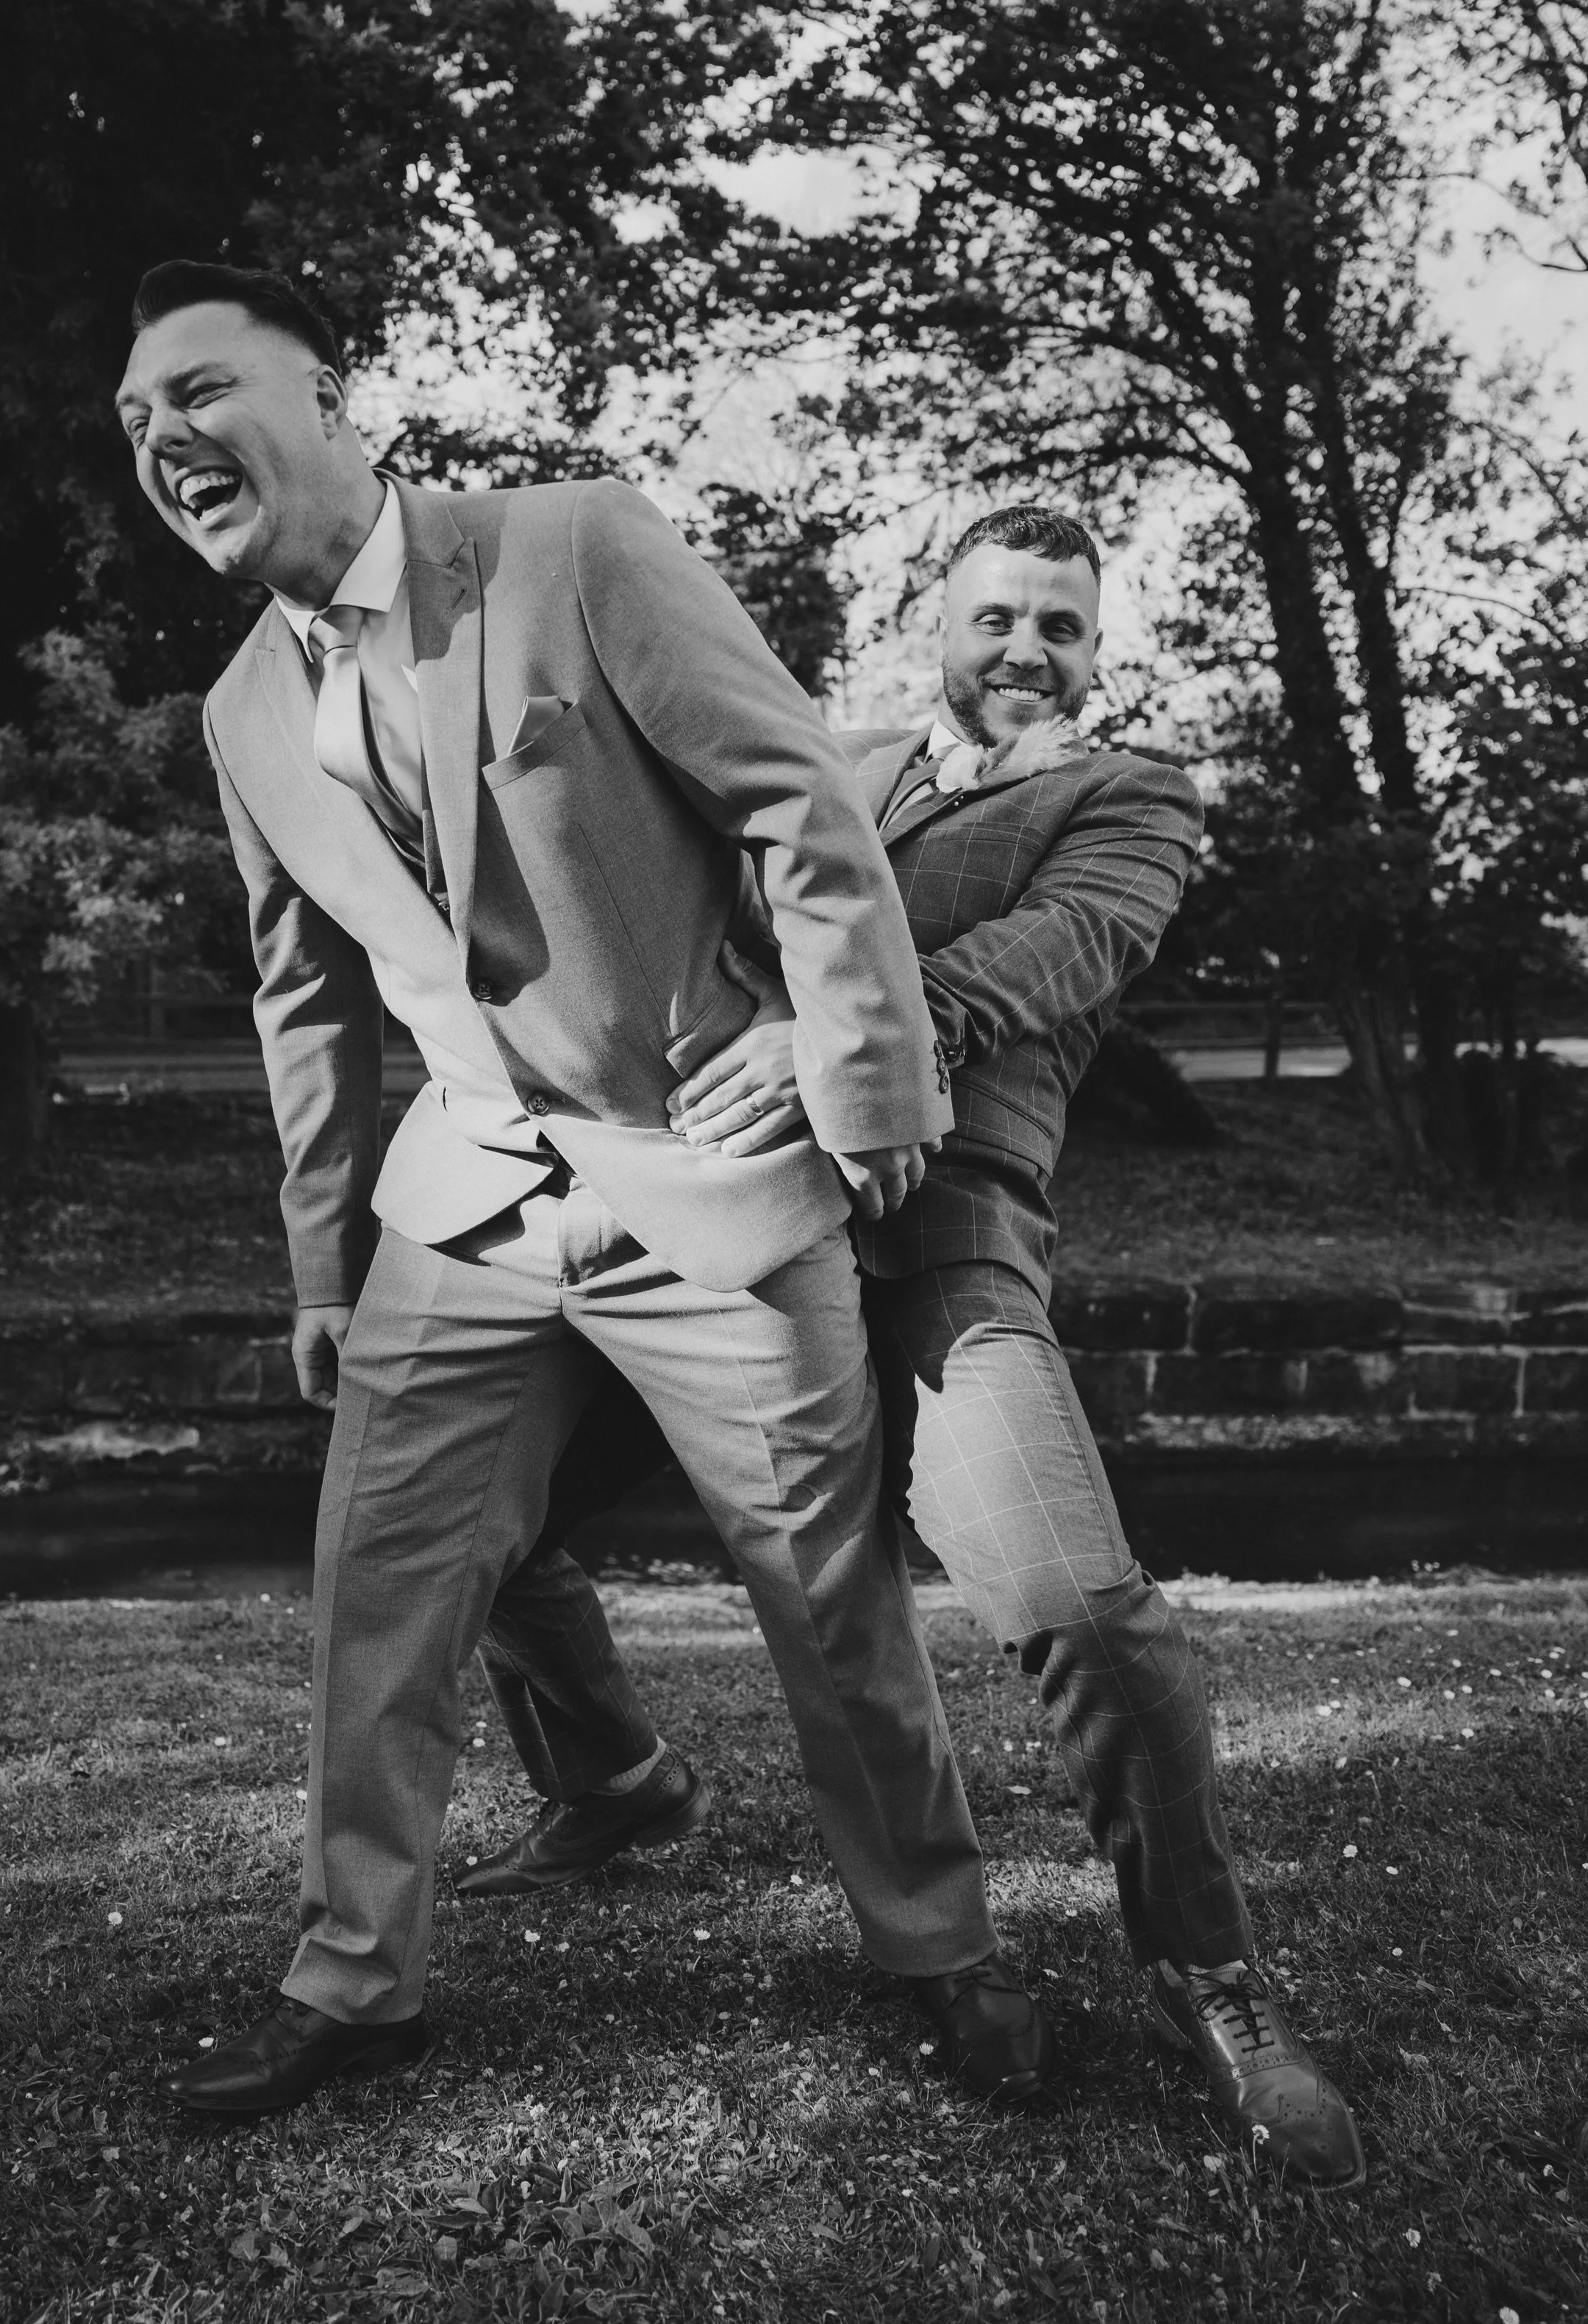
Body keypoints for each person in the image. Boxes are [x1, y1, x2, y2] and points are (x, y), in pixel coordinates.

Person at [111, 257, 1040, 2122]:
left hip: (711, 1168)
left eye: (200, 392)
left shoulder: (567, 546)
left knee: (821, 1590)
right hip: (457, 1206)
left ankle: (936, 1945)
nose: (166, 439)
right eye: (135, 424)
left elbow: (801, 803)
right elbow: (305, 998)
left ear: (328, 394)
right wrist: (316, 1264)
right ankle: (358, 1981)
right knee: (379, 1587)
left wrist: (865, 1079)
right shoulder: (233, 713)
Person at [482, 505, 1367, 2190]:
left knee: (1087, 1617)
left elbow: (1054, 955)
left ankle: (1209, 1980)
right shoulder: (835, 758)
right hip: (717, 1221)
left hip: (937, 1238)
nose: (1024, 648)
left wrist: (841, 1046)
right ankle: (609, 1777)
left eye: (1058, 624)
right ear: (931, 626)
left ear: (1096, 650)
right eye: (994, 618)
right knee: (478, 1515)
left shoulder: (1126, 797)